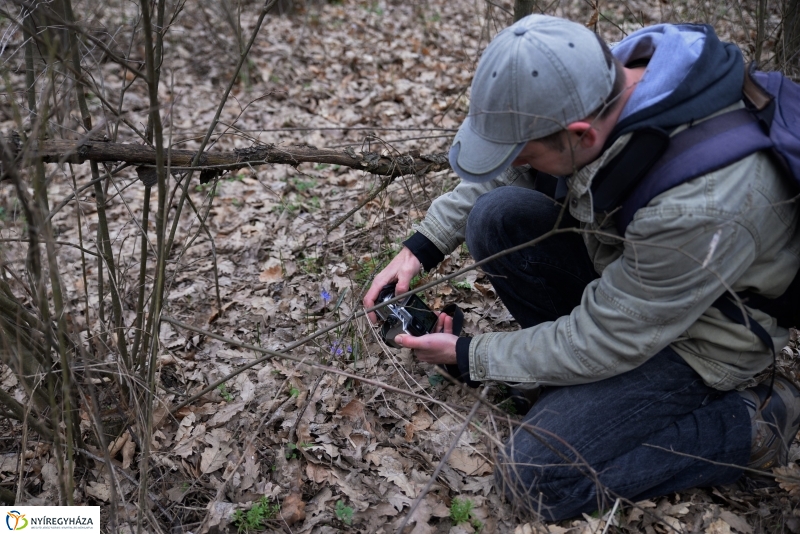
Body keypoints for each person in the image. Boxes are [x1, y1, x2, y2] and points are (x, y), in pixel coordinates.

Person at [363, 15, 800, 521]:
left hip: (706, 337)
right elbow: (510, 166)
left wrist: (468, 353)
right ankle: (574, 392)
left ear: (579, 135)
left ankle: (749, 424)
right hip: (635, 281)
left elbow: (605, 338)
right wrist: (421, 248)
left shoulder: (698, 204)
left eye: (529, 151)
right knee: (496, 216)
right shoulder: (597, 75)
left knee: (534, 480)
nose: (520, 162)